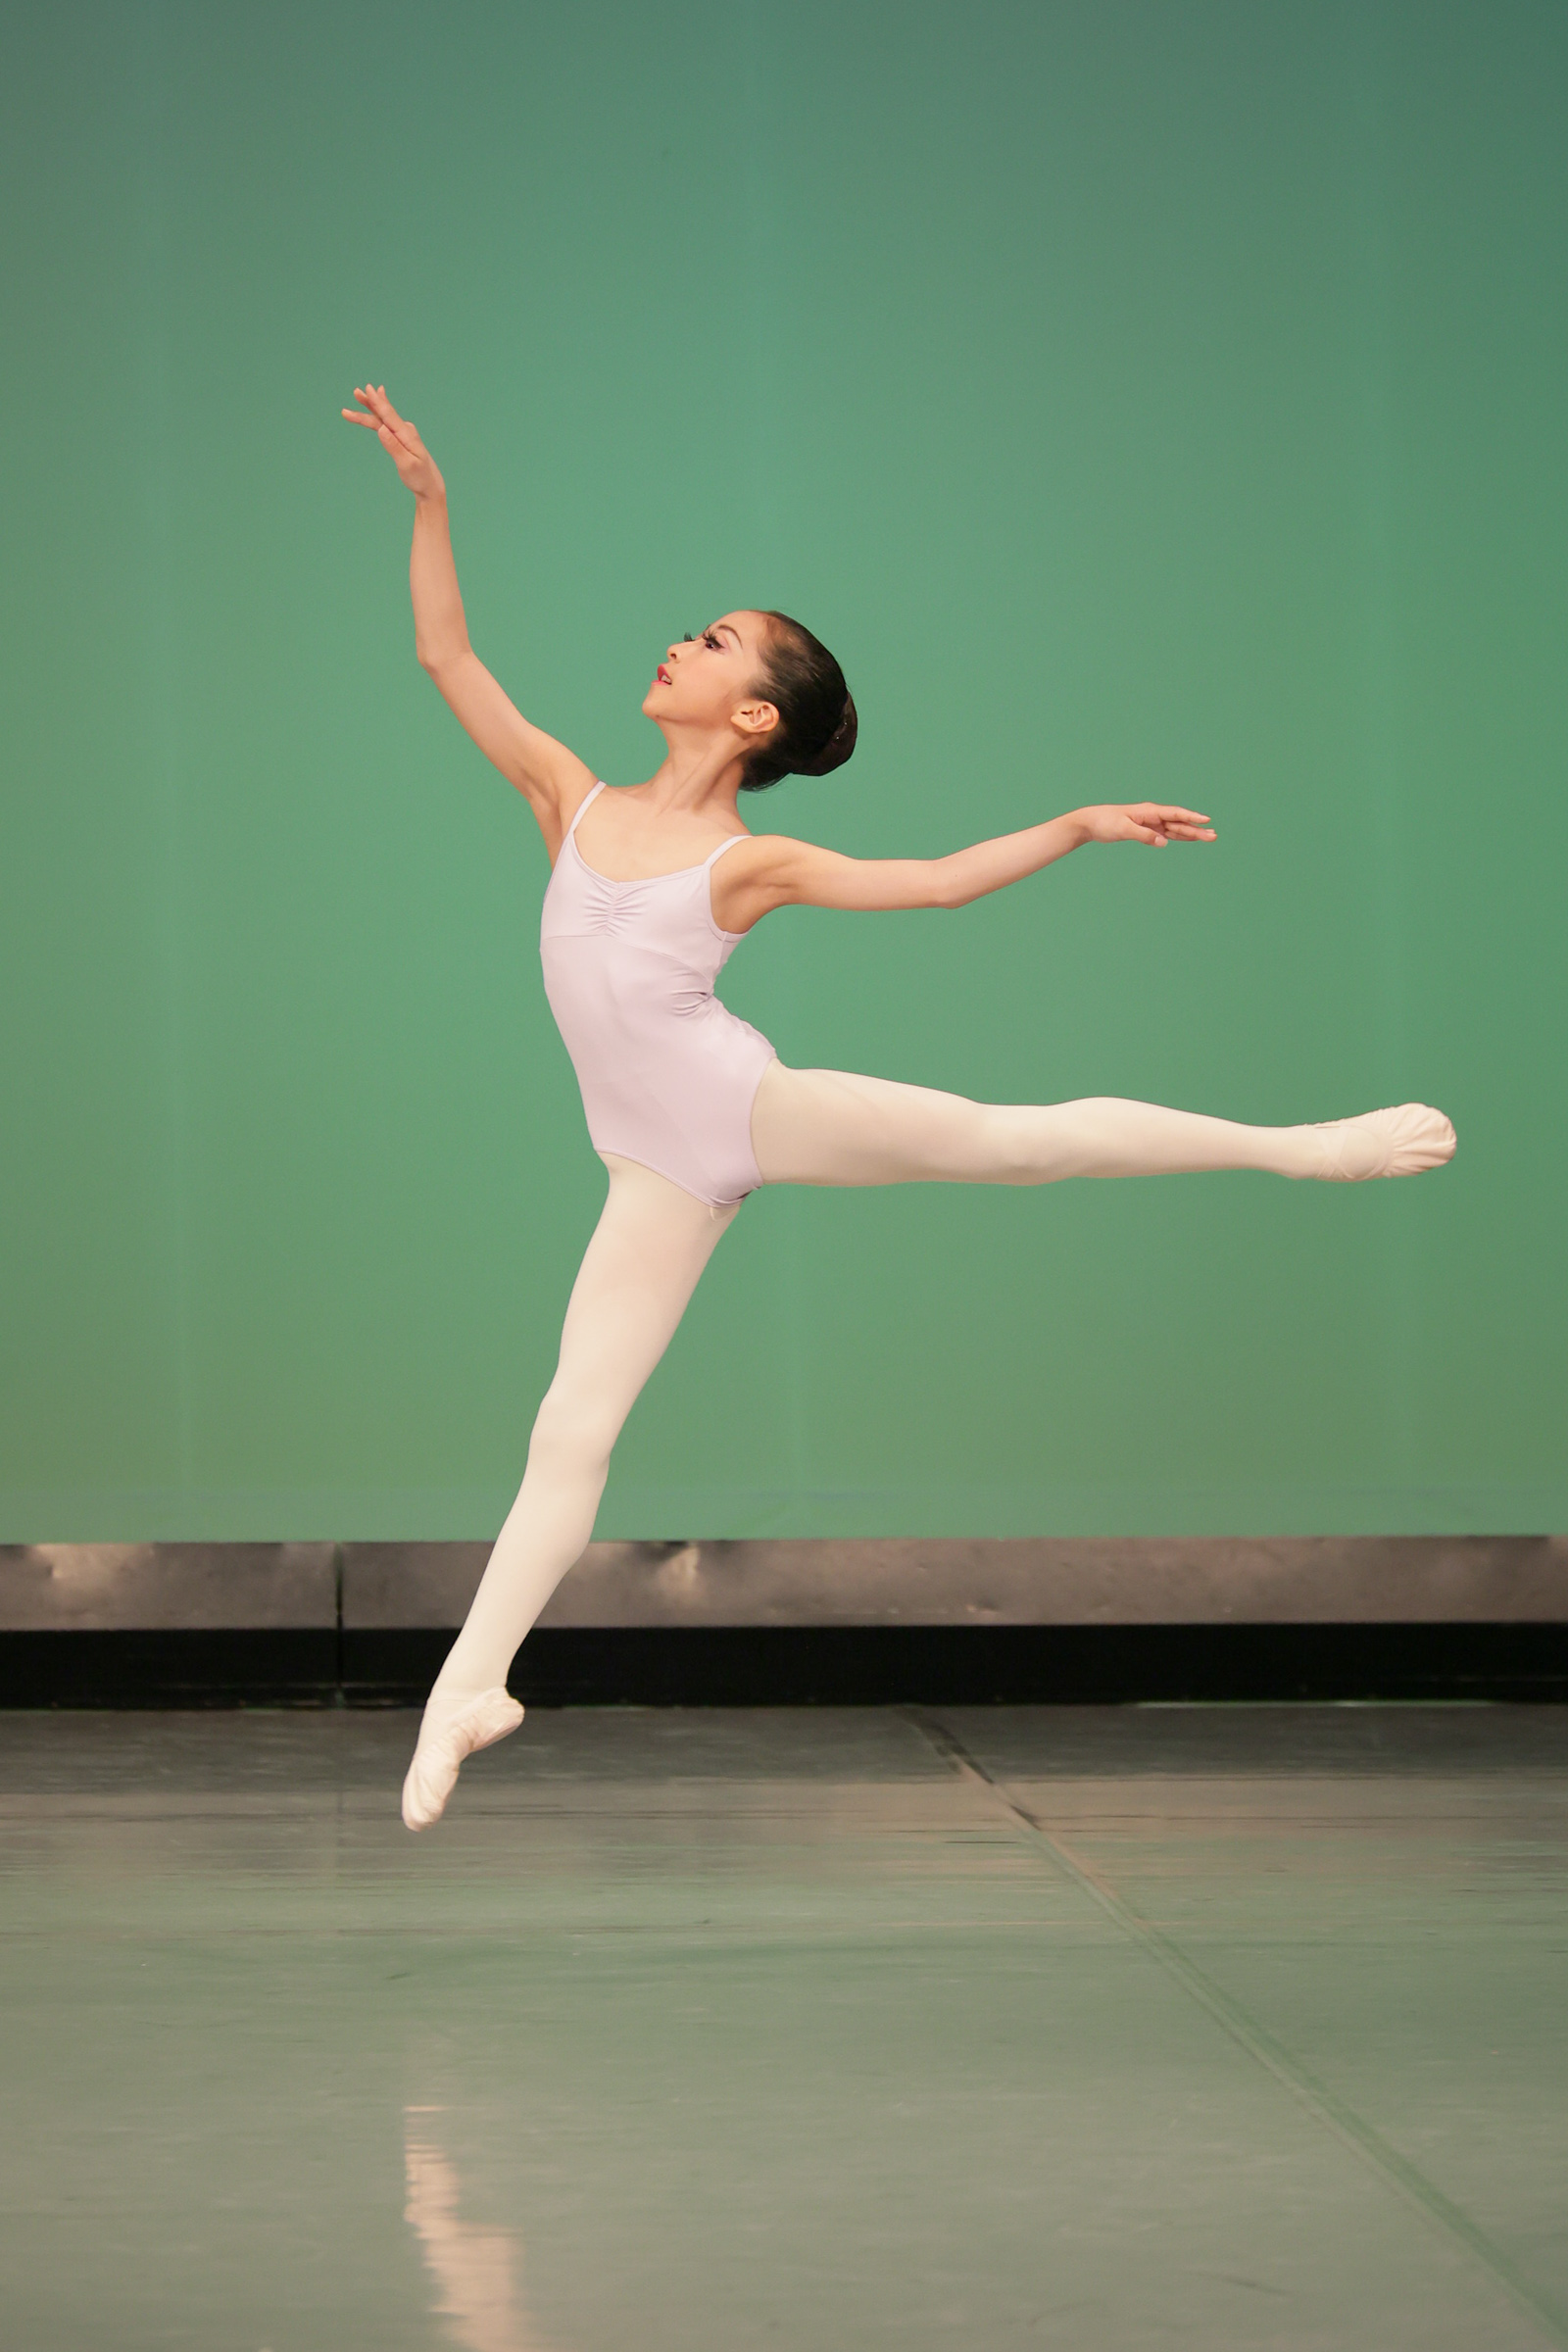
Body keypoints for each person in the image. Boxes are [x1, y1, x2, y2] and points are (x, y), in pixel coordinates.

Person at [342, 383, 1456, 1830]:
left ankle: (1302, 1150)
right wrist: (430, 499)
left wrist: (1075, 825)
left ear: (753, 714)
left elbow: (930, 885)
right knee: (573, 1425)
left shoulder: (749, 861)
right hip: (646, 1167)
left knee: (1018, 1143)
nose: (681, 640)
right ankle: (471, 1688)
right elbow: (446, 652)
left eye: (715, 640)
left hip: (742, 1108)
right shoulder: (568, 797)